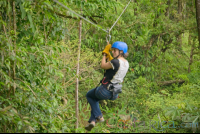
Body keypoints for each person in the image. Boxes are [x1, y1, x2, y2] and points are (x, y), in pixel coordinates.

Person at [85, 41, 129, 131]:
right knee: (95, 100)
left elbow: (103, 65)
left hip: (104, 90)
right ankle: (92, 121)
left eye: (115, 50)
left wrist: (105, 53)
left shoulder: (115, 62)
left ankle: (99, 116)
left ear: (121, 52)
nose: (113, 52)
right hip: (114, 93)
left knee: (89, 95)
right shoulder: (126, 63)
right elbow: (114, 66)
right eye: (112, 50)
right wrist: (110, 53)